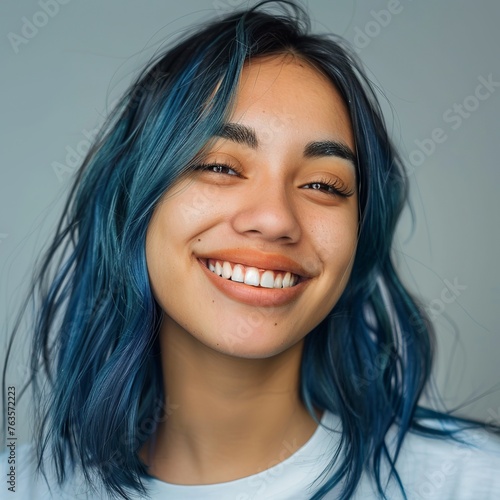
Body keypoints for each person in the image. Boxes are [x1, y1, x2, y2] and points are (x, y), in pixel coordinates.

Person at [2, 1, 500, 498]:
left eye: (325, 185)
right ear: (133, 202)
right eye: (220, 166)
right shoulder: (19, 486)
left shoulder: (472, 482)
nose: (275, 219)